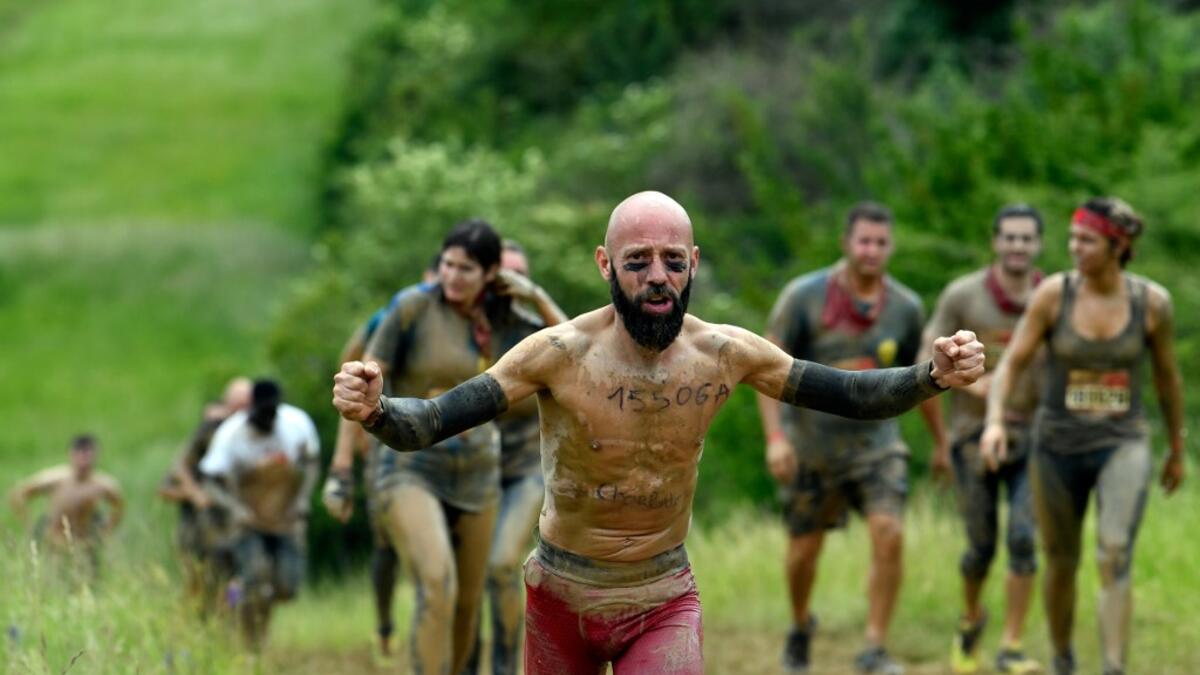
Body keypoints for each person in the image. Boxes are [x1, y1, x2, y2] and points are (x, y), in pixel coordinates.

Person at [332, 191, 986, 675]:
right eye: (637, 260)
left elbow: (849, 393)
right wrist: (377, 411)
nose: (657, 278)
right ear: (604, 264)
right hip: (561, 592)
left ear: (693, 262)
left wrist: (932, 374)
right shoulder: (557, 353)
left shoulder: (726, 353)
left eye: (673, 261)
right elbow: (436, 420)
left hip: (661, 595)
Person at [337, 220, 558, 675]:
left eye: (466, 269)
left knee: (467, 605)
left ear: (492, 273)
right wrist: (362, 390)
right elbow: (369, 365)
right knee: (437, 583)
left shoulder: (509, 320)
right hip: (410, 467)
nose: (452, 276)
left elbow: (574, 349)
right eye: (447, 265)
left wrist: (533, 295)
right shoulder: (412, 308)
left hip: (479, 471)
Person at [982, 197, 1185, 675]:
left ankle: (1113, 667)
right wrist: (994, 420)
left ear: (1118, 246)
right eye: (1072, 238)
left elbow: (1168, 381)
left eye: (1086, 241)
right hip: (1055, 445)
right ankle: (1063, 660)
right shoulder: (1055, 295)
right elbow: (1012, 365)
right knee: (1061, 559)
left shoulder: (1151, 304)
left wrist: (1177, 448)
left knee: (1114, 551)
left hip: (1123, 442)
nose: (1073, 248)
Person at [756, 202, 942, 675]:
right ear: (846, 242)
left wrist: (940, 441)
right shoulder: (804, 298)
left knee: (889, 532)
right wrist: (776, 438)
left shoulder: (905, 308)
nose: (872, 250)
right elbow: (762, 366)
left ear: (891, 247)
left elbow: (924, 377)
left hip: (878, 445)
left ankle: (874, 646)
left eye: (881, 242)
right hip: (811, 446)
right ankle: (800, 625)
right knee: (803, 550)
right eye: (864, 240)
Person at [923, 205, 1045, 674]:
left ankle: (1011, 645)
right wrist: (976, 387)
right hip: (972, 436)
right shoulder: (963, 296)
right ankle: (971, 619)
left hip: (1034, 436)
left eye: (1026, 238)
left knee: (1023, 537)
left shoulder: (1050, 295)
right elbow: (928, 361)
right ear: (996, 242)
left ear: (1037, 245)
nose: (1017, 246)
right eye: (1009, 237)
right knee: (980, 547)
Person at [464, 239, 568, 675]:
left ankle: (506, 663)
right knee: (465, 578)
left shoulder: (534, 331)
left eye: (518, 276)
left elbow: (588, 356)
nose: (509, 284)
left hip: (525, 469)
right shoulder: (462, 328)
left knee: (504, 562)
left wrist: (538, 297)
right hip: (467, 473)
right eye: (502, 276)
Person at [199, 379, 320, 648]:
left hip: (285, 518)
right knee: (255, 579)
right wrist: (235, 508)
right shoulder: (231, 434)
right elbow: (209, 480)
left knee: (287, 587)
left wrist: (302, 500)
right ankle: (249, 640)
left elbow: (311, 462)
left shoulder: (296, 424)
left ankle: (255, 608)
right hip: (249, 520)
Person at [159, 377, 252, 614]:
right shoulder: (209, 433)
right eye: (237, 405)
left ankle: (229, 628)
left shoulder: (254, 431)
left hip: (236, 524)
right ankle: (196, 631)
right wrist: (196, 495)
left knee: (236, 580)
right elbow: (174, 473)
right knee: (200, 583)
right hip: (201, 527)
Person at [9, 434, 124, 580]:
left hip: (86, 545)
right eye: (80, 455)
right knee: (53, 583)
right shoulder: (54, 479)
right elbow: (19, 495)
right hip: (54, 544)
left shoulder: (103, 485)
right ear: (71, 454)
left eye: (88, 455)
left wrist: (106, 530)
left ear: (96, 456)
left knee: (89, 583)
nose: (84, 461)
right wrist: (29, 523)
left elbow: (119, 507)